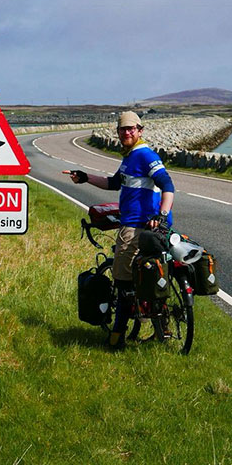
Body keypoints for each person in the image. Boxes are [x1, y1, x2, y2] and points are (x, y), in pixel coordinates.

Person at [64, 111, 175, 348]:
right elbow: (114, 183)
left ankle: (117, 336)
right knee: (154, 276)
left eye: (131, 129)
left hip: (137, 227)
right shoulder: (130, 157)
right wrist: (85, 178)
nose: (126, 133)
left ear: (140, 130)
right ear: (118, 132)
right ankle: (161, 328)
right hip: (149, 227)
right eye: (122, 129)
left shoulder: (144, 155)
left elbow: (167, 184)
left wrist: (162, 216)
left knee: (122, 282)